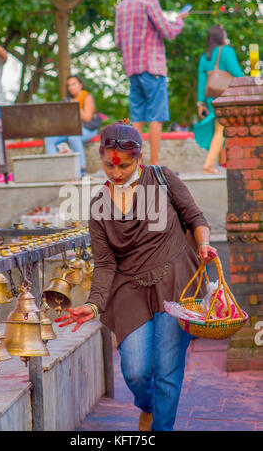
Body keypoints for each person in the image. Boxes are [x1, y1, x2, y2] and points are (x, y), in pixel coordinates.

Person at [55, 121, 218, 431]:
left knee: (167, 369)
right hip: (129, 288)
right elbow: (104, 264)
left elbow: (195, 217)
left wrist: (204, 245)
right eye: (108, 165)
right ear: (101, 157)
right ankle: (148, 406)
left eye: (125, 166)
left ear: (139, 158)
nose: (116, 173)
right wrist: (93, 305)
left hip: (175, 282)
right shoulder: (98, 207)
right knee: (135, 370)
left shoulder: (162, 178)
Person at [114, 0, 189, 166]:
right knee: (156, 117)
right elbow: (168, 31)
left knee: (137, 119)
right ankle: (154, 165)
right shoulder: (149, 1)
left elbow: (117, 40)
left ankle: (130, 164)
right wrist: (180, 20)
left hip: (132, 69)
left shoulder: (121, 6)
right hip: (152, 67)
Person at [193, 25, 243, 174]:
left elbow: (202, 82)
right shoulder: (226, 51)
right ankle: (208, 164)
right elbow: (237, 74)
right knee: (221, 129)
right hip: (226, 97)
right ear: (221, 36)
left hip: (211, 98)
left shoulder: (205, 57)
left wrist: (200, 103)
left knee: (220, 127)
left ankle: (223, 161)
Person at [44, 75, 99, 176]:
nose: (71, 87)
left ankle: (81, 169)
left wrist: (75, 105)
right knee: (50, 138)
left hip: (88, 129)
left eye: (74, 84)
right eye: (69, 85)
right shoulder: (68, 99)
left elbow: (87, 118)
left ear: (81, 85)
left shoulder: (86, 97)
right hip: (72, 128)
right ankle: (54, 169)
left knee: (73, 137)